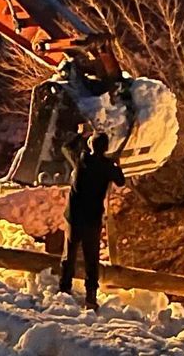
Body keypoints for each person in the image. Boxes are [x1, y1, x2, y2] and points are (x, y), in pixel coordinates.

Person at [58, 132, 125, 310]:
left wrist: (80, 134)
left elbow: (66, 147)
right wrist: (116, 165)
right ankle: (90, 298)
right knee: (91, 260)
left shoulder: (81, 160)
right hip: (92, 219)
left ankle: (64, 290)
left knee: (69, 255)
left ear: (90, 145)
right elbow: (121, 181)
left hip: (74, 217)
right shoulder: (107, 167)